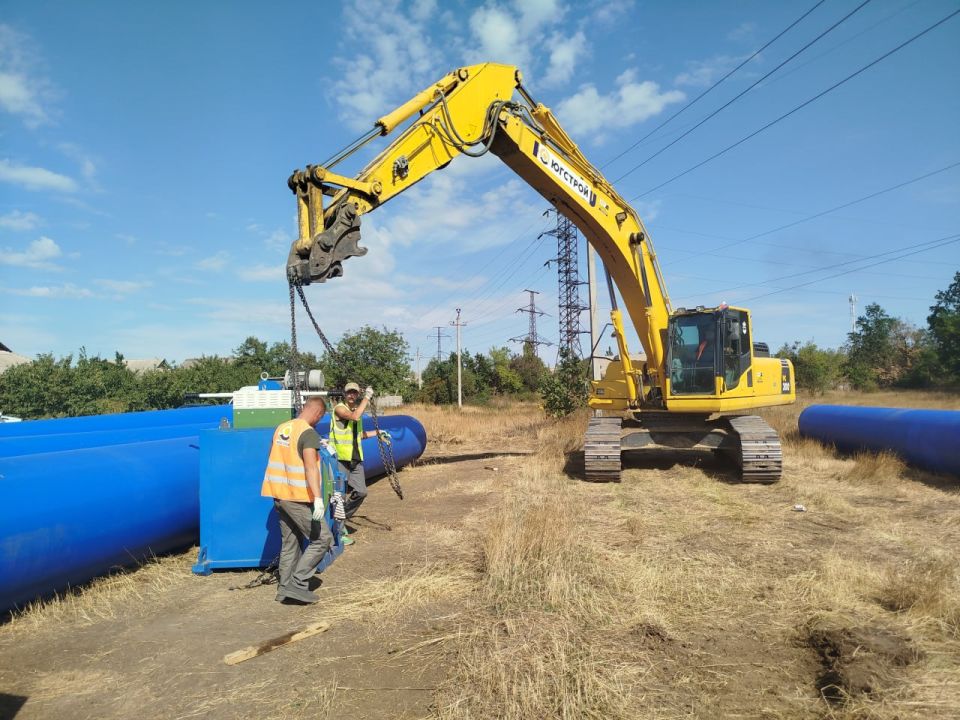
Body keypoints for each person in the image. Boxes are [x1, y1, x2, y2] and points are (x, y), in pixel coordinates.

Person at [261, 396, 333, 604]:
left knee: (290, 542)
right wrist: (318, 498)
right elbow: (311, 467)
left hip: (278, 495)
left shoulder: (281, 428)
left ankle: (284, 589)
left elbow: (272, 457)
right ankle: (298, 583)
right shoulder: (309, 433)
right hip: (297, 497)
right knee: (323, 539)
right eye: (321, 417)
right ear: (318, 413)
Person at [329, 382, 388, 530]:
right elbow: (354, 417)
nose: (351, 395)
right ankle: (338, 530)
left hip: (355, 459)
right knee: (339, 495)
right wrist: (367, 398)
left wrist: (378, 433)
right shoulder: (340, 408)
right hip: (341, 459)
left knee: (361, 492)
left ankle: (343, 517)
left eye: (354, 393)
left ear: (357, 394)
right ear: (345, 394)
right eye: (349, 392)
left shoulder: (356, 410)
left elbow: (359, 434)